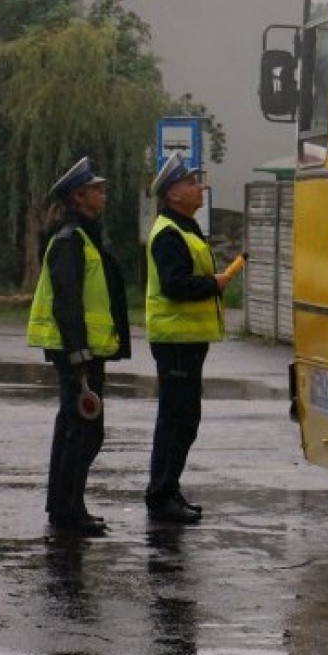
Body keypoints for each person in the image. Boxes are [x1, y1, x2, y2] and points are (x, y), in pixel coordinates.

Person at [27, 156, 130, 536]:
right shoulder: (70, 240)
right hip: (77, 351)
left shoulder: (83, 236)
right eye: (96, 189)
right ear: (78, 196)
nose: (103, 194)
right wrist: (78, 353)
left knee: (73, 427)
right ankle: (69, 510)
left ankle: (64, 505)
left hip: (83, 349)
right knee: (85, 430)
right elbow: (66, 301)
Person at [145, 151, 231, 523]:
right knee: (177, 419)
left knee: (184, 418)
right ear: (173, 194)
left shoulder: (185, 227)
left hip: (187, 341)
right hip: (175, 340)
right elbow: (174, 285)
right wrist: (213, 283)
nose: (200, 188)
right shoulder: (169, 233)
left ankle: (168, 488)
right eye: (191, 183)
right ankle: (161, 494)